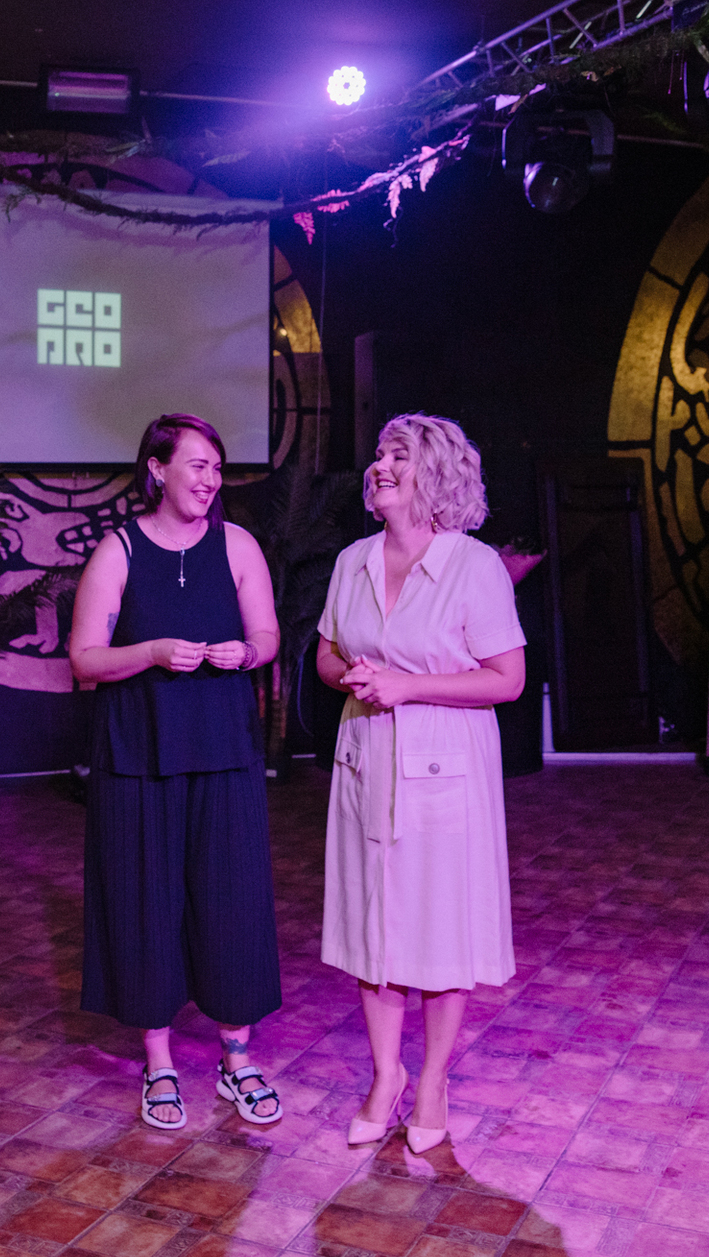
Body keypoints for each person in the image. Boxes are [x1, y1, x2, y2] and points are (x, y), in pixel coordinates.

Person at [316, 413, 526, 1154]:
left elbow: (507, 679)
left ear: (434, 474)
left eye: (397, 455)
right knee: (373, 926)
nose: (379, 465)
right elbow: (326, 657)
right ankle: (386, 1077)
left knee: (439, 928)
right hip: (365, 757)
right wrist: (356, 677)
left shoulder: (474, 566)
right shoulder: (353, 561)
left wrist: (407, 685)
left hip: (446, 766)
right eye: (378, 453)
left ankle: (432, 1082)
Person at [69, 414, 285, 1129]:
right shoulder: (119, 549)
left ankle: (236, 1058)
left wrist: (247, 653)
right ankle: (158, 1062)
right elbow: (84, 658)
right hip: (140, 755)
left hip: (224, 749)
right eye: (197, 465)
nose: (210, 480)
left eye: (217, 468)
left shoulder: (238, 545)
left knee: (231, 901)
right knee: (145, 902)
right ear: (157, 470)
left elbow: (267, 635)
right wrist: (153, 651)